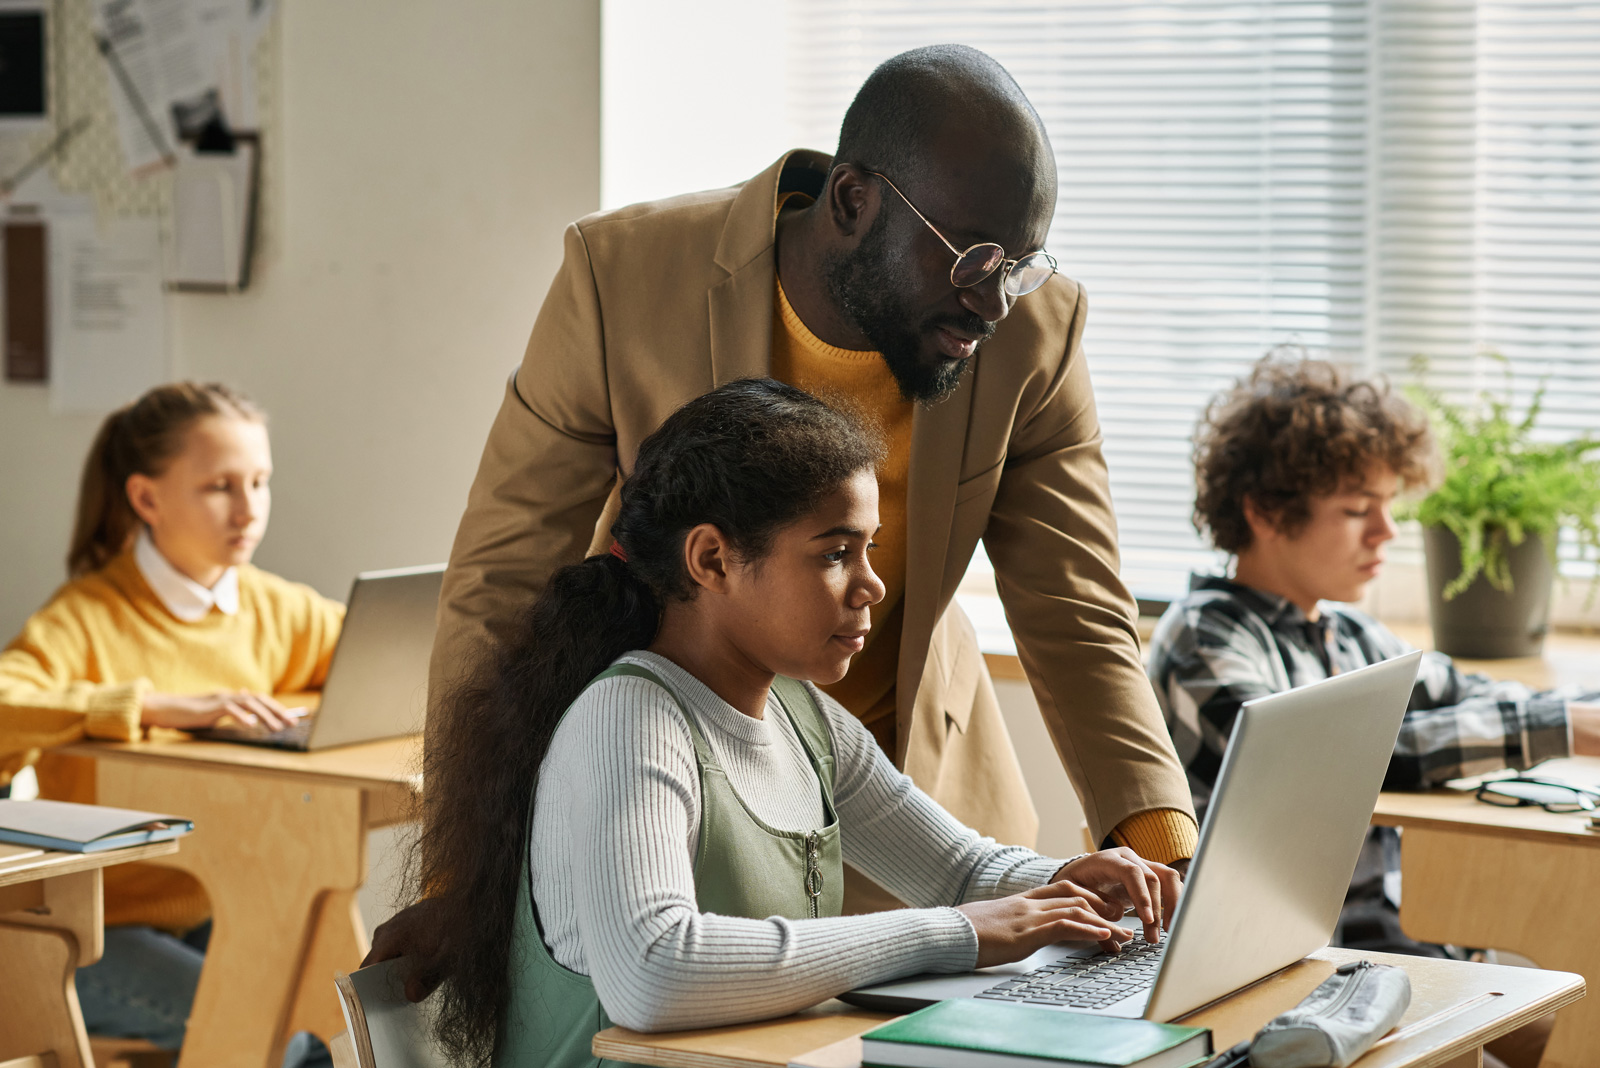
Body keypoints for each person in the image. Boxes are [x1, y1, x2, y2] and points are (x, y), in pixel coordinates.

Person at [421, 43, 1195, 923]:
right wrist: (459, 873)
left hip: (918, 814)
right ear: (854, 201)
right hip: (673, 805)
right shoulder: (622, 278)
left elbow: (1077, 605)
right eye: (975, 259)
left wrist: (1167, 859)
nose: (995, 302)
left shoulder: (1030, 332)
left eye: (1020, 265)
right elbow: (502, 581)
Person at [419, 378, 1183, 1067]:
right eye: (834, 554)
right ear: (712, 560)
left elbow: (957, 872)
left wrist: (1065, 884)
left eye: (869, 549)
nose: (871, 585)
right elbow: (654, 972)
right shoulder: (630, 718)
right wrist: (961, 931)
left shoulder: (802, 715)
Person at [1147, 356, 1600, 955]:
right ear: (1264, 510)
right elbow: (1325, 764)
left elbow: (1474, 694)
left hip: (1381, 927)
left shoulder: (1351, 633)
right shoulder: (1204, 637)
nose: (1386, 531)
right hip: (1272, 952)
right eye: (1359, 510)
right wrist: (1557, 727)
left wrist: (1574, 712)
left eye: (1388, 506)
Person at [0, 382, 343, 1062]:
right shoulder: (86, 617)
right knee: (276, 1037)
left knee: (345, 1023)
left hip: (220, 909)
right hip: (86, 930)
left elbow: (379, 662)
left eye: (260, 482)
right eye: (220, 486)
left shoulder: (278, 609)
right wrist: (152, 704)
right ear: (146, 498)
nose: (248, 509)